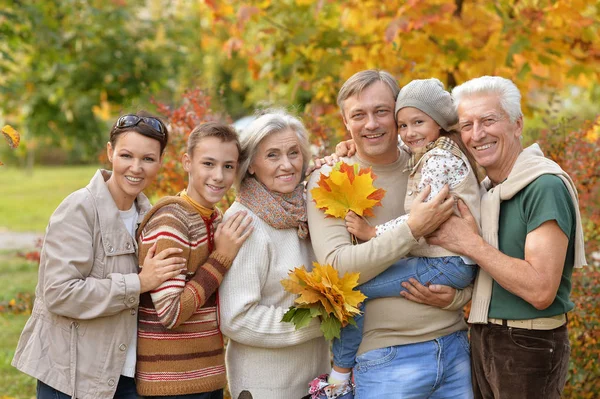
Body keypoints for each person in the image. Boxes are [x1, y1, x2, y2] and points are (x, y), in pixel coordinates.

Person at [306, 70, 474, 399]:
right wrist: (412, 230)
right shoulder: (333, 178)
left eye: (382, 111)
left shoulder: (430, 162)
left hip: (455, 349)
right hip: (387, 361)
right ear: (345, 120)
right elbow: (338, 270)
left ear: (399, 113)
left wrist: (459, 298)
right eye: (359, 114)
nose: (371, 124)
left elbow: (473, 242)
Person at [425, 76, 587, 399]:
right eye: (467, 125)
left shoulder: (544, 186)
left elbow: (541, 289)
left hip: (528, 345)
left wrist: (471, 244)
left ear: (517, 124)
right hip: (485, 337)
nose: (476, 134)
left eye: (488, 120)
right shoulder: (487, 192)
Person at [12, 113, 187, 398]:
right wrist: (139, 283)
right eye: (126, 155)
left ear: (160, 162)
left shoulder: (151, 216)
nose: (136, 168)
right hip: (73, 379)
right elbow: (59, 292)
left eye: (148, 159)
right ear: (110, 153)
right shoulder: (80, 209)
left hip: (127, 376)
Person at [135, 122, 253, 398]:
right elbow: (171, 313)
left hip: (207, 375)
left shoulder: (214, 220)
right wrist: (220, 258)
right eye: (208, 164)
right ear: (187, 162)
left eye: (228, 166)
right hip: (172, 382)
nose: (219, 176)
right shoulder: (172, 221)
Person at [218, 110, 330, 399]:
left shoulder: (305, 211)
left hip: (313, 381)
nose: (287, 164)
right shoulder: (246, 223)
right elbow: (237, 318)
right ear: (251, 165)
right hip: (267, 387)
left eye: (294, 153)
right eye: (272, 155)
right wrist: (317, 322)